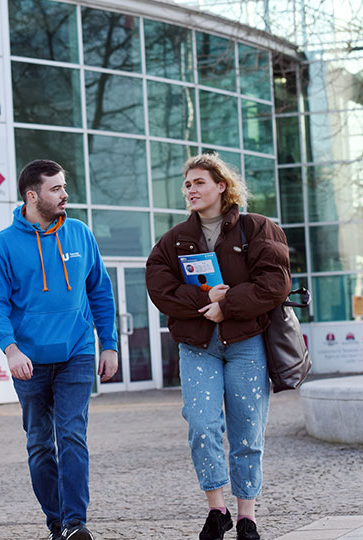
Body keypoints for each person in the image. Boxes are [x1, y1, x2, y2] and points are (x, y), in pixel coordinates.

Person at [145, 153, 291, 540]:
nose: (191, 190)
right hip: (197, 345)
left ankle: (247, 516)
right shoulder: (174, 240)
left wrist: (228, 306)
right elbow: (159, 288)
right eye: (188, 184)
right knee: (201, 423)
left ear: (222, 186)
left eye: (199, 183)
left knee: (248, 429)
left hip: (247, 343)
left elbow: (275, 283)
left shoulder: (258, 229)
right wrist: (204, 303)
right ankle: (217, 509)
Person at [0, 159, 119, 540]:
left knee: (72, 434)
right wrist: (10, 349)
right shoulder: (3, 245)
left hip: (76, 353)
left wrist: (108, 344)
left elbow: (100, 291)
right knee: (40, 445)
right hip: (29, 362)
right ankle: (57, 523)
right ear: (32, 195)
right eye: (55, 188)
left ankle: (76, 523)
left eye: (63, 187)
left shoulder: (79, 234)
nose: (64, 194)